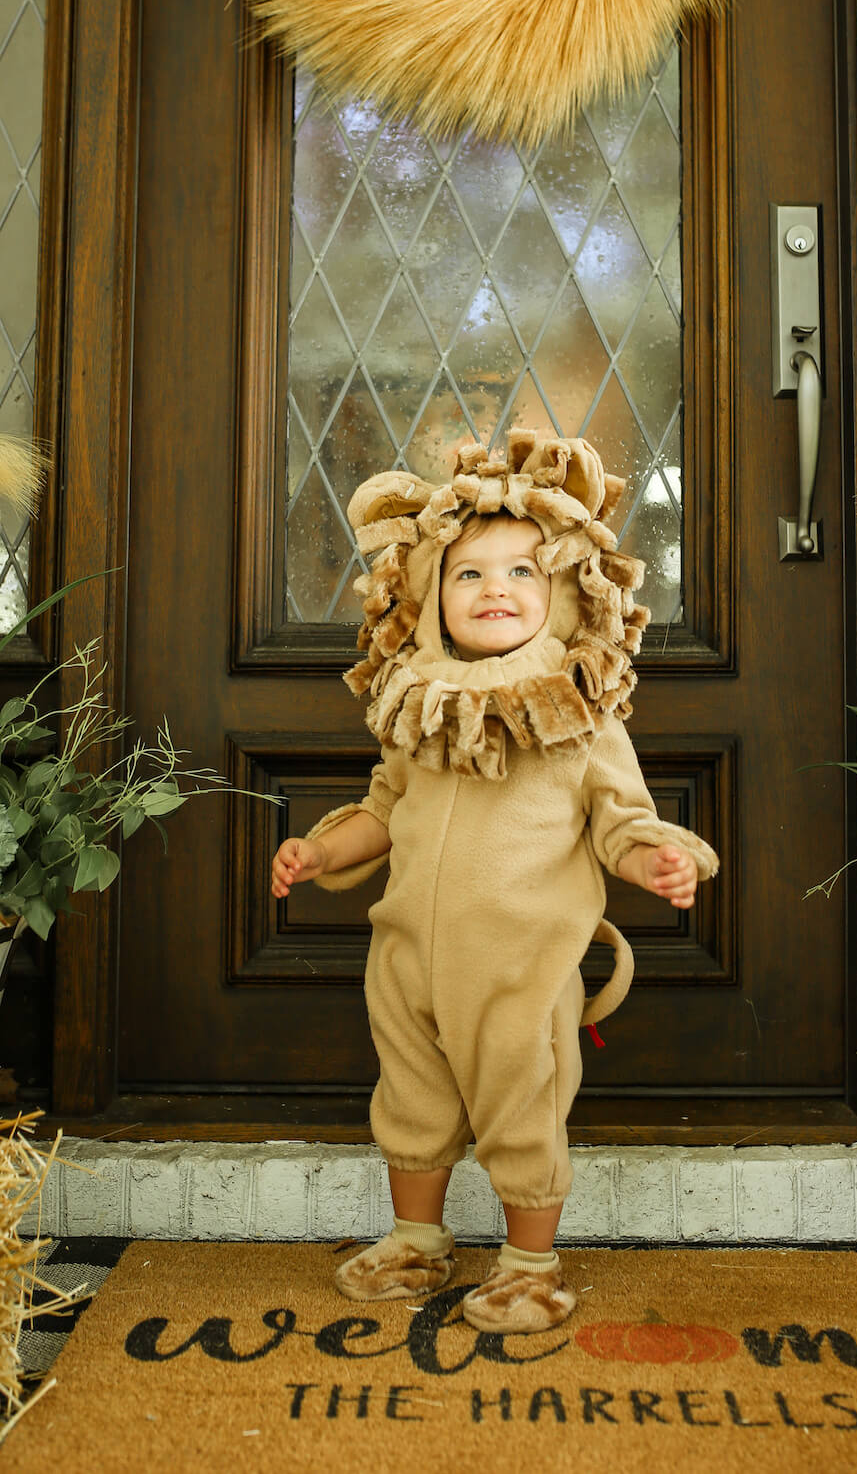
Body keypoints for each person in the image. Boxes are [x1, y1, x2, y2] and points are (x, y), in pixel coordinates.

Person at [271, 429, 719, 1334]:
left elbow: (619, 822)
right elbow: (383, 810)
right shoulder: (416, 703)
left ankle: (528, 1263)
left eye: (522, 573)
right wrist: (320, 853)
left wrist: (656, 860)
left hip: (520, 967)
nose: (495, 591)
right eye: (468, 575)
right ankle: (415, 1239)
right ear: (428, 593)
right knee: (409, 1101)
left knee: (521, 1109)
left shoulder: (577, 713)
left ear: (563, 594)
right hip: (407, 960)